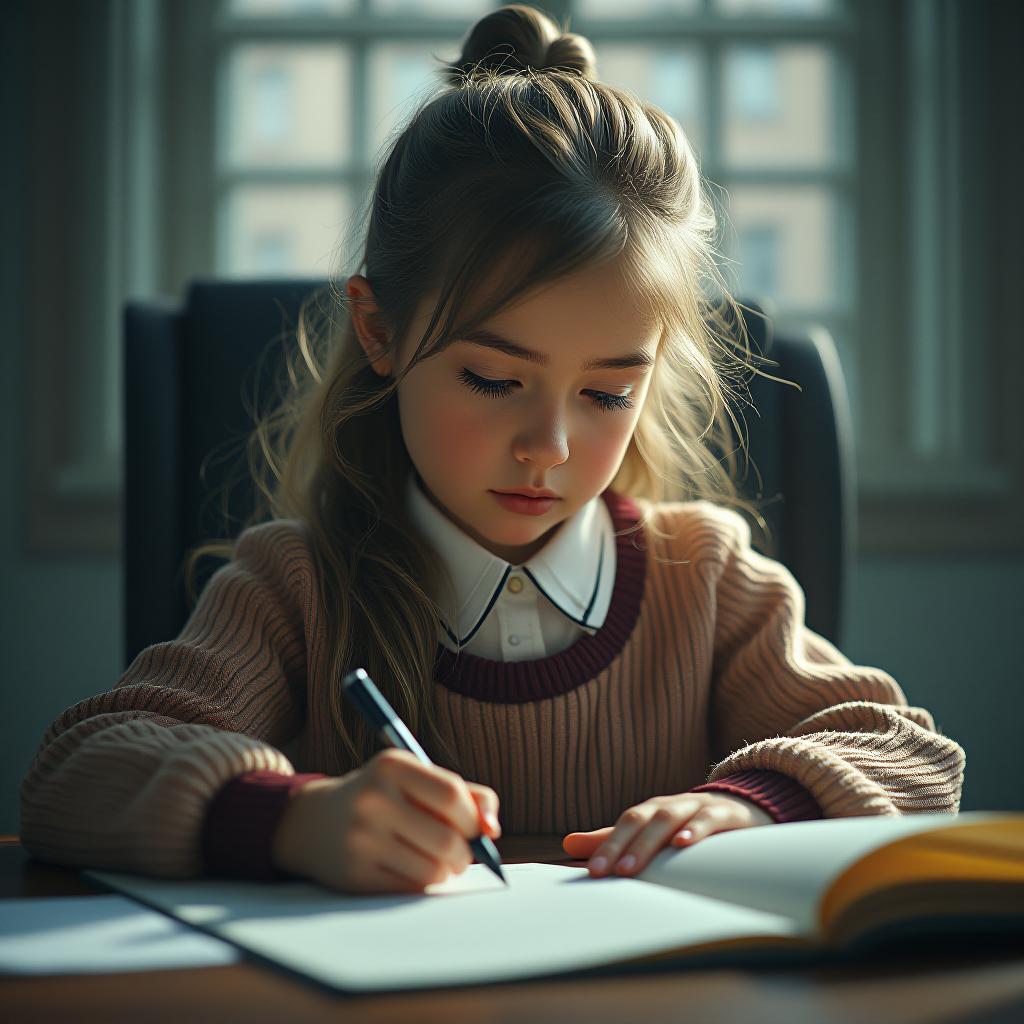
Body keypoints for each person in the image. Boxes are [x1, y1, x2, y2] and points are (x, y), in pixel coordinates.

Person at [20, 4, 964, 896]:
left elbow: (914, 757)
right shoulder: (293, 588)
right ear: (380, 331)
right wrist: (294, 819)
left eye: (606, 394)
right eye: (491, 380)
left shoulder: (707, 581)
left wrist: (747, 805)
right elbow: (73, 772)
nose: (548, 448)